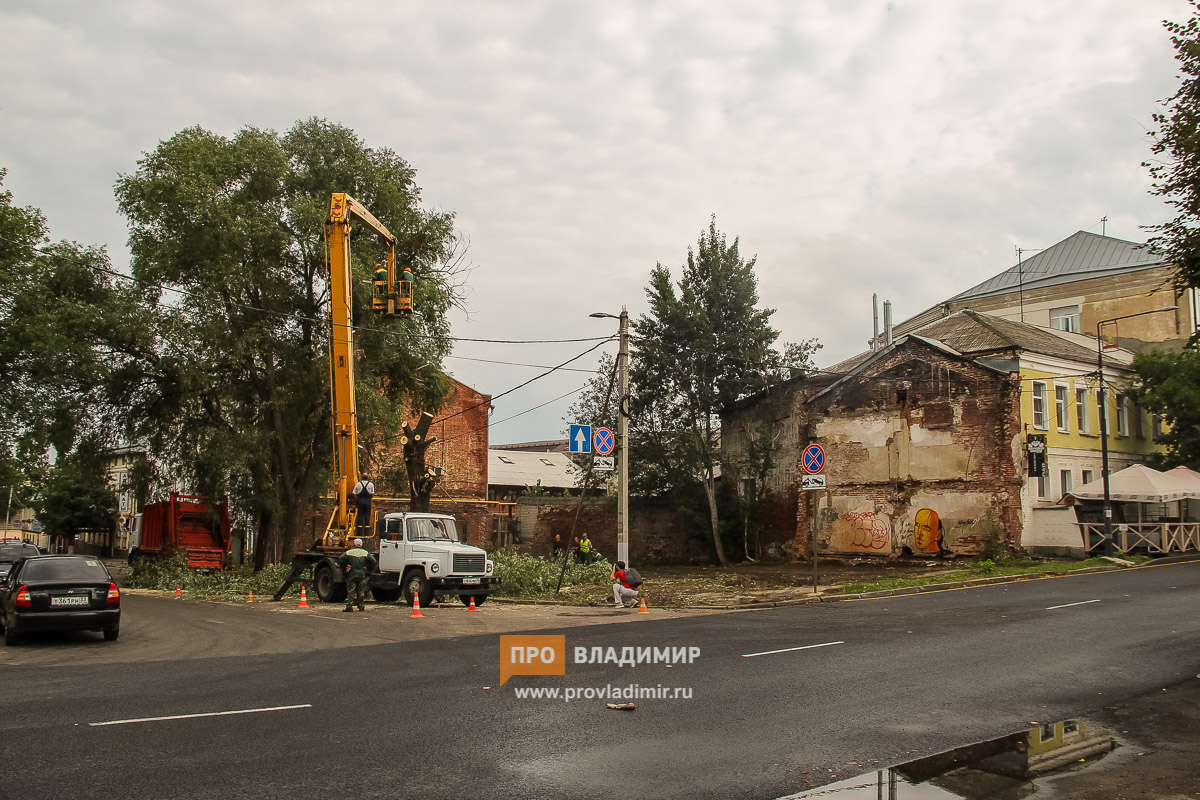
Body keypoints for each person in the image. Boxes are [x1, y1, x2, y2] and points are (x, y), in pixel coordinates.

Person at [338, 538, 377, 612]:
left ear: (354, 544)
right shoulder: (365, 553)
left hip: (352, 573)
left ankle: (349, 606)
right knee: (361, 591)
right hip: (361, 574)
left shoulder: (349, 552)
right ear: (361, 544)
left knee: (351, 591)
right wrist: (366, 566)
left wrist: (346, 565)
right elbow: (373, 561)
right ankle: (361, 606)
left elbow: (341, 558)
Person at [352, 472, 375, 539]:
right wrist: (368, 499)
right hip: (368, 501)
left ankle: (359, 533)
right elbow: (372, 494)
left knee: (360, 516)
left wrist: (358, 499)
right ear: (367, 478)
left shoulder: (358, 484)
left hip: (360, 501)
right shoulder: (371, 485)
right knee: (367, 516)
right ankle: (367, 533)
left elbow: (354, 493)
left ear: (361, 477)